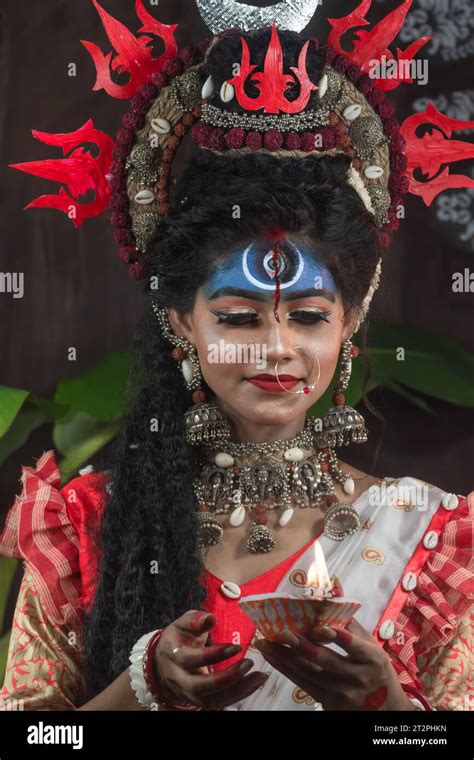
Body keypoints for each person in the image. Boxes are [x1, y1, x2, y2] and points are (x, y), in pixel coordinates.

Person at [1, 2, 472, 712]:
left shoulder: (431, 540)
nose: (277, 347)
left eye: (309, 316)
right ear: (181, 321)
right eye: (237, 317)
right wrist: (142, 684)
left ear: (350, 320)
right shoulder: (86, 529)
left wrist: (387, 709)